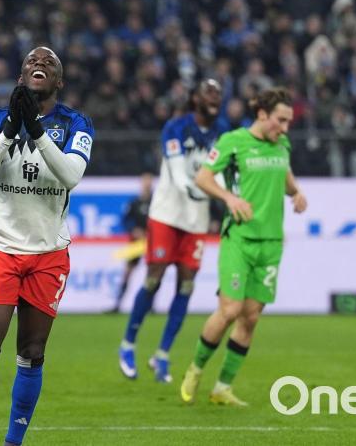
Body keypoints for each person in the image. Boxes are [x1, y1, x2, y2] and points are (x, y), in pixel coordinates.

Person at [0, 47, 94, 446]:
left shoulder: (76, 123)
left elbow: (71, 176)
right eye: (32, 63)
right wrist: (10, 129)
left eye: (49, 64)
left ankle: (13, 442)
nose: (40, 65)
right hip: (2, 246)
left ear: (60, 81)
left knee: (32, 351)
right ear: (21, 78)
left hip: (48, 253)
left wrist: (35, 129)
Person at [179, 87, 307, 406]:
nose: (285, 128)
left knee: (250, 318)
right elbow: (203, 178)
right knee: (230, 310)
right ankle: (195, 369)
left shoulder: (283, 144)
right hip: (239, 238)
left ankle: (222, 387)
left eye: (289, 122)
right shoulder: (233, 142)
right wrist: (229, 198)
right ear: (262, 115)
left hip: (272, 243)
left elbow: (286, 175)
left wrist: (296, 193)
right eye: (281, 120)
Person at [119, 79, 227, 382]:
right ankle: (128, 345)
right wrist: (210, 193)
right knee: (154, 277)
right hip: (167, 214)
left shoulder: (223, 135)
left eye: (218, 93)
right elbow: (180, 176)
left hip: (196, 221)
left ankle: (162, 355)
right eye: (208, 93)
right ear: (195, 98)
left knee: (187, 285)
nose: (214, 98)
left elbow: (228, 175)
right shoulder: (176, 128)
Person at [107, 172, 152, 314]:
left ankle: (149, 306)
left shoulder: (156, 202)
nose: (147, 185)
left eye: (149, 182)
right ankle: (118, 304)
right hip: (137, 242)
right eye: (145, 182)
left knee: (153, 274)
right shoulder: (134, 203)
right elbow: (125, 220)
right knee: (128, 272)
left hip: (152, 242)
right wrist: (134, 230)